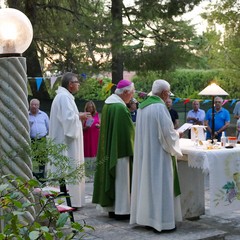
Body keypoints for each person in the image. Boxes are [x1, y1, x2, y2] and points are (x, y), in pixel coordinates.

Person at [130, 79, 183, 233]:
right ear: (165, 92)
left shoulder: (142, 107)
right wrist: (177, 134)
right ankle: (163, 222)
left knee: (147, 185)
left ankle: (148, 219)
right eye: (168, 92)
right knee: (161, 185)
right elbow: (167, 134)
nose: (168, 96)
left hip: (145, 155)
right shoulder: (160, 107)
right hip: (159, 156)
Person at [92, 79, 135, 220]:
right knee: (122, 179)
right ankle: (121, 210)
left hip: (110, 148)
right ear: (126, 92)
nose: (133, 96)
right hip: (120, 151)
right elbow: (128, 134)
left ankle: (111, 208)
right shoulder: (121, 108)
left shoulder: (108, 105)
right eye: (132, 92)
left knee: (114, 179)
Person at [48, 72, 90, 208]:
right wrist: (79, 117)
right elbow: (68, 121)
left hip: (64, 142)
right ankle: (69, 202)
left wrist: (77, 116)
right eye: (77, 82)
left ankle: (70, 201)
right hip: (66, 144)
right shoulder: (64, 98)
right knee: (68, 170)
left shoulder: (64, 97)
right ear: (70, 84)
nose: (78, 85)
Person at [28, 98, 49, 179]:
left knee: (42, 158)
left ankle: (42, 176)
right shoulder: (26, 115)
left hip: (42, 139)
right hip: (31, 139)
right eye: (32, 104)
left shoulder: (44, 115)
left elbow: (48, 127)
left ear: (38, 106)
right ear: (29, 105)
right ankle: (33, 175)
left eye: (35, 104)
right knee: (32, 158)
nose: (33, 106)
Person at [83, 100, 100, 180]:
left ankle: (94, 172)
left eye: (92, 107)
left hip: (95, 135)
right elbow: (80, 127)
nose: (90, 108)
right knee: (87, 152)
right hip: (87, 135)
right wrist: (85, 127)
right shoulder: (84, 115)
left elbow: (99, 123)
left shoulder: (96, 114)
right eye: (89, 107)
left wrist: (99, 125)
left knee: (95, 152)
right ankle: (87, 173)